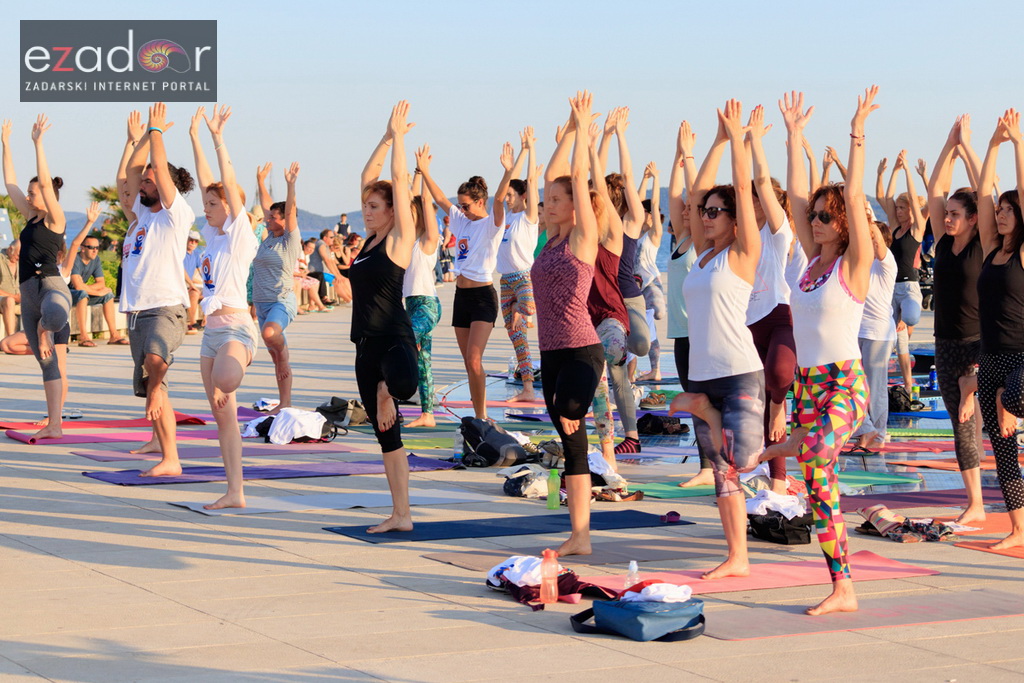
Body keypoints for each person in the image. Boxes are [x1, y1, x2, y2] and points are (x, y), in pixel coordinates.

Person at [764, 87, 879, 616]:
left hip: (843, 383)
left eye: (827, 219)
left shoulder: (852, 266)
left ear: (846, 226)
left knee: (812, 452)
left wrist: (856, 133)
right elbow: (793, 192)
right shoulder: (811, 264)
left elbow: (854, 197)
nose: (818, 223)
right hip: (807, 385)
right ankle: (843, 586)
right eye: (816, 217)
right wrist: (793, 135)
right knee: (819, 489)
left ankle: (792, 445)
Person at [667, 99, 765, 580]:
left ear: (734, 217)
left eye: (716, 211)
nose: (706, 215)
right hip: (704, 373)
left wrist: (742, 145)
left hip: (741, 372)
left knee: (743, 460)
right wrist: (717, 141)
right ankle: (737, 556)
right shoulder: (702, 254)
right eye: (703, 211)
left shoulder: (743, 253)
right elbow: (696, 190)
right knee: (723, 471)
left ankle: (793, 459)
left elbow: (741, 193)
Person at [533, 92, 603, 556]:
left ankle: (582, 533)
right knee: (572, 445)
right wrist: (566, 128)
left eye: (558, 199)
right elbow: (548, 177)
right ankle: (581, 536)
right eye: (547, 200)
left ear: (575, 206)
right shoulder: (546, 243)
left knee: (571, 411)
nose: (550, 203)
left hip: (581, 348)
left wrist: (579, 130)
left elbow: (575, 177)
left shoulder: (582, 238)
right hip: (550, 353)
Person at [186, 104, 260, 509]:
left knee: (227, 380)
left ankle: (237, 373)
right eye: (207, 204)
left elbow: (227, 184)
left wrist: (217, 138)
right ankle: (235, 491)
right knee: (222, 418)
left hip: (235, 328)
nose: (207, 208)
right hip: (210, 334)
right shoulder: (212, 238)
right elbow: (205, 182)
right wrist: (194, 136)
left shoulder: (237, 234)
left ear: (230, 209)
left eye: (214, 204)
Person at [351, 101, 419, 533]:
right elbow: (366, 178)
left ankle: (385, 389)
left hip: (395, 339)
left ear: (393, 211)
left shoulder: (398, 240)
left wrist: (401, 142)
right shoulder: (367, 245)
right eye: (367, 206)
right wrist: (385, 136)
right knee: (386, 438)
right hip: (365, 347)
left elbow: (396, 180)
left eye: (376, 206)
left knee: (402, 388)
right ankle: (401, 515)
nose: (368, 210)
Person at [120, 103, 196, 474]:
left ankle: (169, 453)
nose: (143, 184)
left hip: (166, 306)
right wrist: (132, 141)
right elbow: (128, 176)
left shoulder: (174, 214)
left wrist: (156, 133)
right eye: (145, 181)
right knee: (155, 383)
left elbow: (157, 172)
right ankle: (167, 454)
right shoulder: (140, 218)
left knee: (156, 363)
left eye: (151, 181)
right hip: (137, 311)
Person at [419, 138, 516, 420]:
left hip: (483, 297)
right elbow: (438, 199)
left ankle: (483, 417)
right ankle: (475, 417)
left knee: (475, 360)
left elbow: (499, 200)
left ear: (479, 202)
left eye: (466, 205)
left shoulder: (492, 224)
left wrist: (507, 172)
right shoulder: (461, 219)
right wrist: (424, 171)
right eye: (460, 205)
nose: (461, 209)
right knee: (468, 362)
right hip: (461, 297)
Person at [927, 115, 986, 523]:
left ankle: (978, 505)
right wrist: (949, 144)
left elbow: (984, 193)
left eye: (955, 214)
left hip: (978, 343)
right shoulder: (945, 245)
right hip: (945, 342)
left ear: (972, 217)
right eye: (946, 213)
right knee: (961, 423)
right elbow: (933, 190)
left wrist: (968, 148)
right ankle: (978, 502)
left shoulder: (983, 245)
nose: (947, 218)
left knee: (970, 419)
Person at [1, 115, 72, 440]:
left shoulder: (55, 219)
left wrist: (38, 142)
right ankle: (54, 424)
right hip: (28, 292)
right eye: (28, 194)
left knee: (56, 315)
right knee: (47, 364)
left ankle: (45, 330)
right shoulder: (30, 218)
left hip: (51, 287)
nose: (29, 197)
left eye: (34, 193)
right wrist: (5, 144)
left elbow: (44, 184)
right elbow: (10, 182)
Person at [973, 108, 1024, 549]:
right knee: (1002, 446)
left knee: (1016, 397)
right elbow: (983, 198)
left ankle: (1010, 401)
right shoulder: (992, 251)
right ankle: (1018, 528)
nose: (1002, 213)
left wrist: (1018, 145)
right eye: (1001, 208)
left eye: (1011, 208)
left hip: (1023, 358)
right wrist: (991, 145)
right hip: (991, 356)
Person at [745, 105, 798, 494]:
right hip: (746, 323)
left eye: (759, 200)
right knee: (755, 407)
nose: (754, 204)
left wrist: (754, 143)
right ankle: (775, 480)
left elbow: (762, 180)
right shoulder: (741, 237)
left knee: (779, 379)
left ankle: (782, 402)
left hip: (779, 315)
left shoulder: (778, 235)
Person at [253, 161, 303, 416]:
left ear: (284, 220)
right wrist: (261, 181)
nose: (268, 219)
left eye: (274, 217)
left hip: (281, 301)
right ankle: (285, 403)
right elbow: (266, 205)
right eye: (268, 216)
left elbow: (290, 210)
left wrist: (290, 185)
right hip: (261, 302)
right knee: (273, 354)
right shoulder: (270, 237)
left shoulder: (288, 240)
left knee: (271, 335)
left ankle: (284, 353)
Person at [496, 128, 540, 402]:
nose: (507, 198)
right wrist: (509, 168)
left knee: (524, 318)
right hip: (504, 281)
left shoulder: (528, 217)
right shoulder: (504, 218)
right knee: (517, 337)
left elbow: (532, 181)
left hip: (525, 279)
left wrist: (528, 149)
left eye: (511, 195)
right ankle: (527, 388)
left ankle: (526, 314)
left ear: (522, 196)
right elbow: (502, 193)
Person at [878, 150, 927, 389]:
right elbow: (882, 195)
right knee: (896, 343)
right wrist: (890, 172)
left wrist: (908, 171)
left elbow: (921, 210)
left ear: (911, 209)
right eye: (896, 208)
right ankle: (907, 386)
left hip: (909, 288)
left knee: (909, 318)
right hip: (891, 289)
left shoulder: (916, 229)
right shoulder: (895, 229)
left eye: (902, 208)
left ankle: (905, 325)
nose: (898, 211)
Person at [402, 155, 442, 428]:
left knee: (402, 345)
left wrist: (425, 173)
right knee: (422, 361)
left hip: (427, 305)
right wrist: (414, 177)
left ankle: (390, 397)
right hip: (411, 304)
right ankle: (427, 413)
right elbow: (409, 201)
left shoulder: (427, 242)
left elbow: (424, 202)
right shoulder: (407, 242)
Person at [852, 219, 897, 451]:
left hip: (878, 334)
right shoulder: (860, 263)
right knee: (854, 384)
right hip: (855, 330)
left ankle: (878, 434)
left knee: (875, 386)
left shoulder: (886, 263)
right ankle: (865, 429)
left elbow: (879, 242)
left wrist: (865, 217)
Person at [70, 209, 128, 347]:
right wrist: (95, 291)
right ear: (82, 248)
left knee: (107, 294)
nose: (95, 250)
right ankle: (83, 336)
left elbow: (101, 283)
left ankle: (114, 335)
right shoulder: (75, 259)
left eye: (97, 247)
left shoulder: (95, 260)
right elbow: (77, 286)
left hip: (81, 293)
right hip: (66, 294)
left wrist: (94, 289)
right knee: (83, 293)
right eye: (91, 247)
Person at [635, 165, 666, 383]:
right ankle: (655, 370)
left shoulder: (654, 234)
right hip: (635, 286)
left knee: (655, 319)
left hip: (651, 283)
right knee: (645, 330)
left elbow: (654, 205)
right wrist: (644, 179)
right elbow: (636, 205)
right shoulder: (635, 233)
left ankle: (655, 369)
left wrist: (656, 180)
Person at [183, 230, 203, 334]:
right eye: (191, 240)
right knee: (194, 293)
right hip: (180, 283)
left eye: (196, 241)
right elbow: (181, 270)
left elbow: (201, 270)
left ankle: (206, 321)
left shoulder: (196, 254)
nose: (193, 243)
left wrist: (208, 283)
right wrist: (191, 284)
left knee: (210, 294)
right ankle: (192, 322)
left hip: (189, 283)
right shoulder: (180, 252)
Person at [0, 239, 20, 337]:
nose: (19, 258)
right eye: (18, 255)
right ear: (10, 249)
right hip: (3, 298)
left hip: (19, 298)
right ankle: (10, 339)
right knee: (9, 301)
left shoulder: (22, 263)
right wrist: (13, 296)